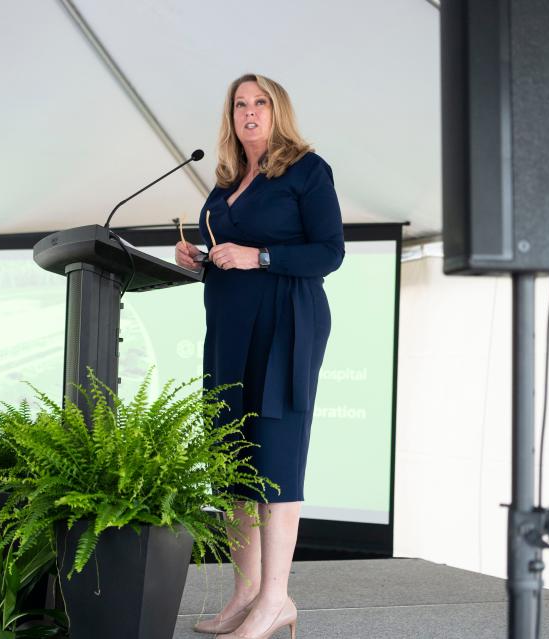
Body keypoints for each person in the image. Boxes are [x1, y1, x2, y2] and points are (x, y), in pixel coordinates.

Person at [175, 73, 344, 639]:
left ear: (278, 110)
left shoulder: (307, 171)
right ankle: (246, 594)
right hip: (229, 328)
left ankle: (277, 600)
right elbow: (229, 254)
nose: (249, 112)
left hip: (286, 322)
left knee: (274, 454)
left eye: (260, 103)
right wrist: (197, 258)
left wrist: (261, 257)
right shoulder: (224, 183)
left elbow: (329, 252)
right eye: (240, 104)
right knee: (233, 461)